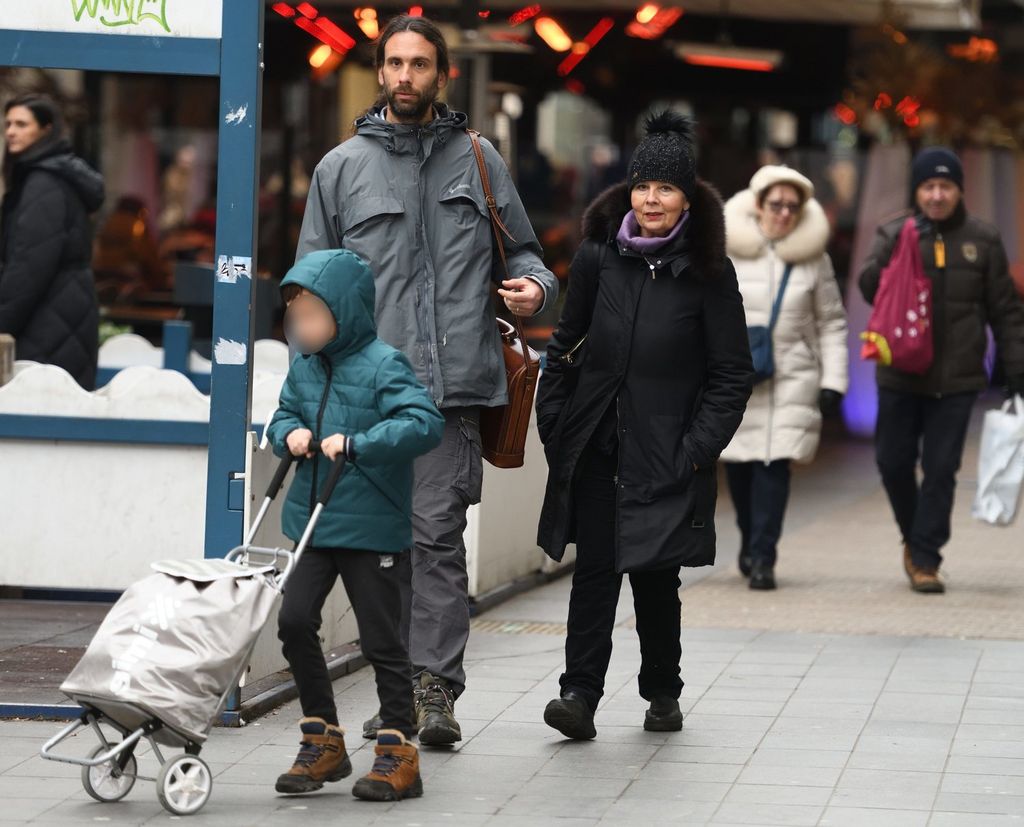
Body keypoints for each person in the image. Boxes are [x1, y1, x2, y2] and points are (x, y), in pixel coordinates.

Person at [295, 14, 558, 746]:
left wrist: (535, 291)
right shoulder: (339, 170)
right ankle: (398, 691)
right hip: (368, 397)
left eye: (420, 63)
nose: (406, 75)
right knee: (384, 548)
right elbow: (308, 292)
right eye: (395, 63)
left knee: (436, 536)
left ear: (441, 73)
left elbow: (531, 258)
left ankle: (433, 687)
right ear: (380, 72)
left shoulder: (479, 160)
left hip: (451, 392)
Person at [535, 112, 754, 740]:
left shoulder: (710, 272)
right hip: (599, 444)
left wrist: (695, 449)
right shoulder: (601, 258)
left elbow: (732, 374)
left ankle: (662, 689)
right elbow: (564, 347)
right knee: (596, 571)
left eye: (664, 188)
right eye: (642, 186)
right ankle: (578, 696)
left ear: (687, 197)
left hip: (668, 451)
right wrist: (557, 425)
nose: (650, 199)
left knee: (656, 578)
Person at [267, 248, 444, 800]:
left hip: (370, 526)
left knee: (381, 640)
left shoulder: (383, 363)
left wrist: (361, 444)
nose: (302, 328)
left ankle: (398, 750)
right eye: (296, 318)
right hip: (313, 520)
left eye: (313, 317)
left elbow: (424, 423)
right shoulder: (302, 366)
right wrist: (287, 433)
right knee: (294, 623)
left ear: (344, 312)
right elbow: (283, 415)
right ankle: (323, 739)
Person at [859, 147, 1024, 594]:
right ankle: (915, 537)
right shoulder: (894, 231)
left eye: (945, 186)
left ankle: (926, 557)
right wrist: (895, 254)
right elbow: (870, 290)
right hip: (900, 373)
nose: (936, 195)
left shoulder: (982, 239)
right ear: (917, 191)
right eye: (928, 186)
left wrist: (1016, 368)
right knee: (892, 462)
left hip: (957, 377)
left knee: (941, 467)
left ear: (959, 191)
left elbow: (1005, 310)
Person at [721, 166, 849, 590]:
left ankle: (763, 556)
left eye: (793, 207)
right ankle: (748, 540)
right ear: (757, 206)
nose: (783, 214)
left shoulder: (815, 259)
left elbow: (831, 322)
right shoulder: (727, 252)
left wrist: (834, 382)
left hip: (793, 376)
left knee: (775, 467)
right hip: (738, 379)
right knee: (740, 468)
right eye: (775, 205)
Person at [1, 94, 104, 389]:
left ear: (46, 130)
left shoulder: (43, 184)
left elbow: (29, 265)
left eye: (21, 124)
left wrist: (3, 323)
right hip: (61, 313)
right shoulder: (51, 178)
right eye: (8, 124)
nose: (10, 131)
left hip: (47, 320)